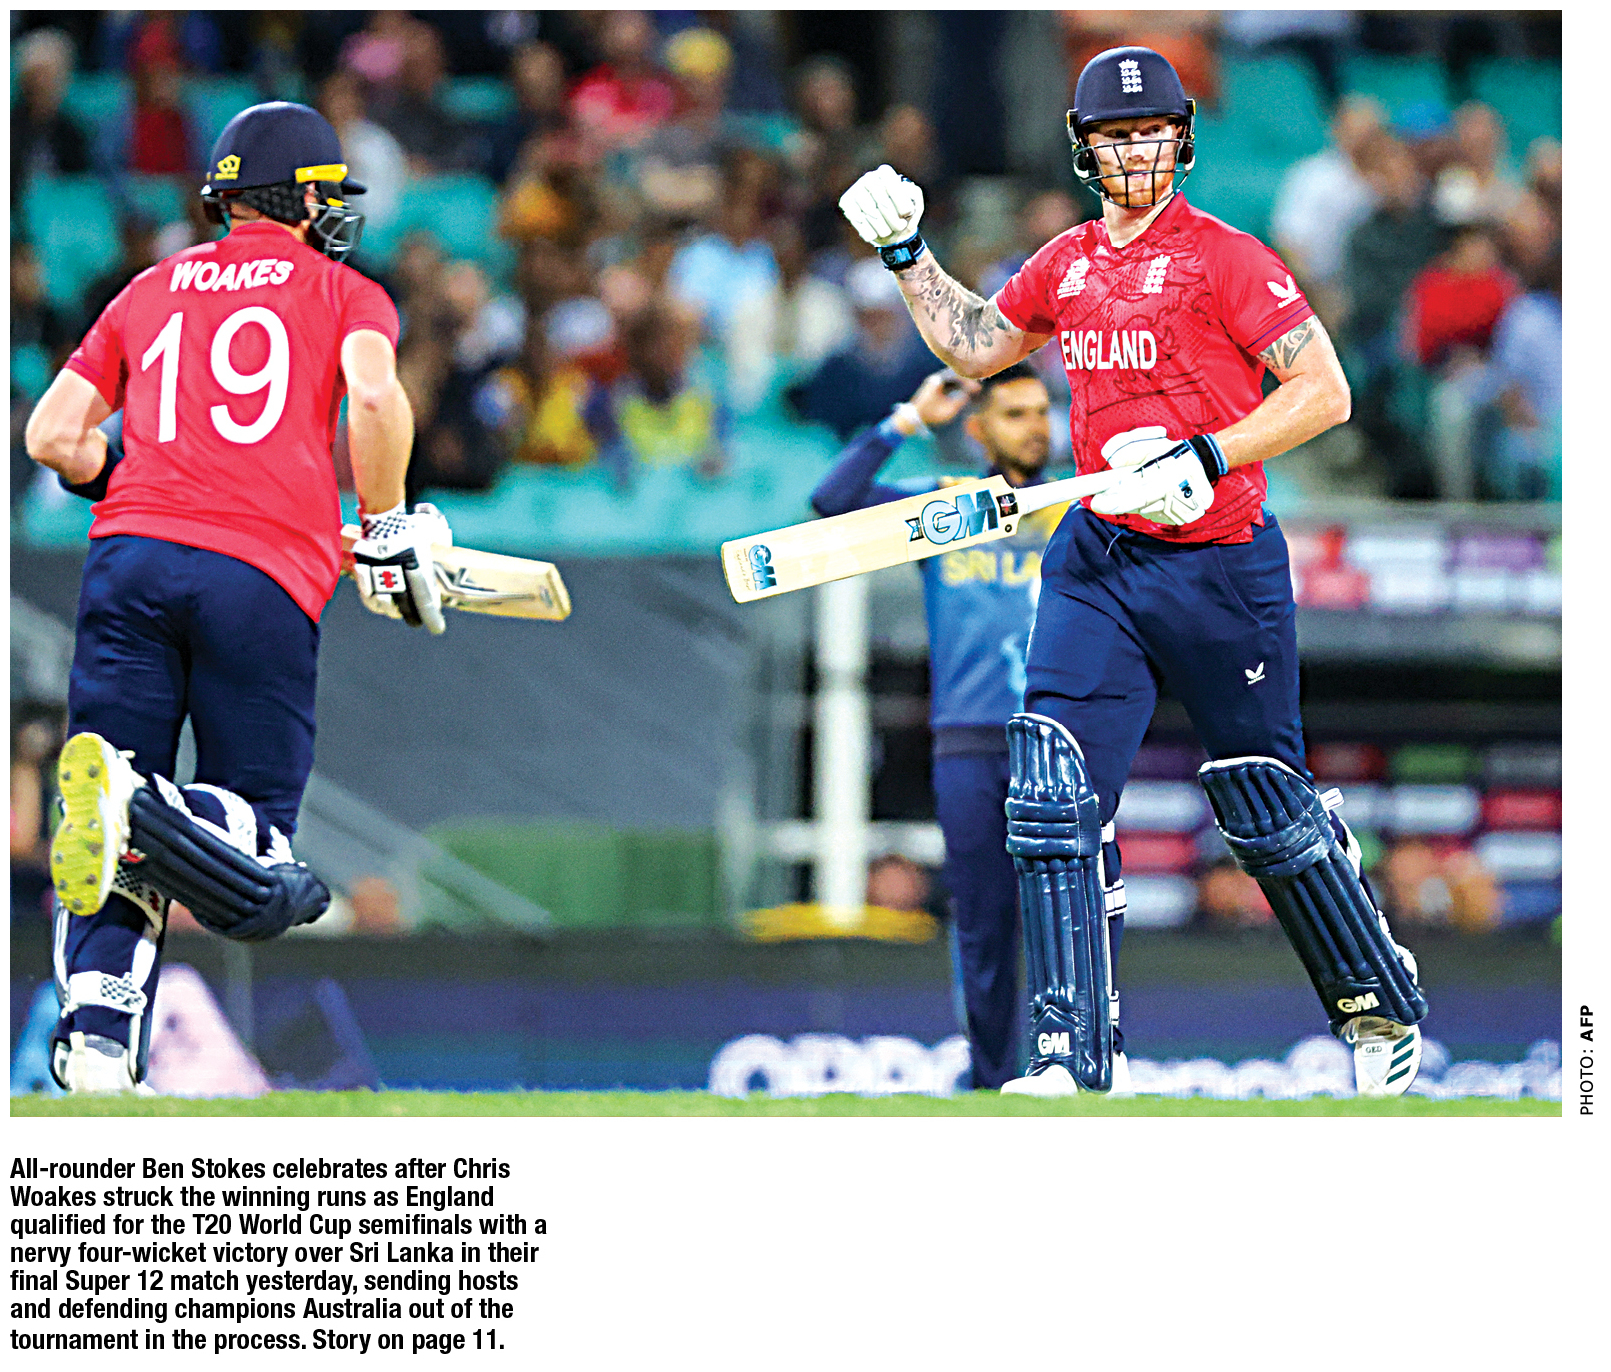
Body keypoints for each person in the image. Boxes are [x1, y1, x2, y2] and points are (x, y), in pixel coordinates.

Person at [839, 45, 1428, 1097]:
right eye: (1114, 135)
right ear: (1084, 149)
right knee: (1051, 788)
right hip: (1100, 559)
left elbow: (1323, 393)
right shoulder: (1066, 262)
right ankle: (1068, 1052)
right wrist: (906, 252)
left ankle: (1375, 998)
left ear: (1183, 140)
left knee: (1267, 804)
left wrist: (1207, 457)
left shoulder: (1228, 258)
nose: (1135, 151)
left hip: (1221, 565)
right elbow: (975, 347)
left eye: (1151, 131)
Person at [23, 101, 451, 1093]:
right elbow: (376, 397)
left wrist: (135, 482)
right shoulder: (344, 290)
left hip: (125, 560)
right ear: (298, 197)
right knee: (260, 856)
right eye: (326, 193)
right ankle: (145, 802)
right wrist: (386, 522)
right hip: (256, 574)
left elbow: (51, 437)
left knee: (111, 834)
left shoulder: (149, 288)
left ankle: (97, 1046)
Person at [809, 363, 1080, 1091]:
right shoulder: (946, 508)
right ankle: (992, 1084)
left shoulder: (1075, 507)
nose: (1036, 427)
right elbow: (833, 501)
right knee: (984, 922)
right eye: (1016, 414)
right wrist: (907, 419)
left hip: (1060, 743)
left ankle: (1074, 1071)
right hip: (967, 741)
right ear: (978, 429)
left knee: (1069, 923)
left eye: (1041, 412)